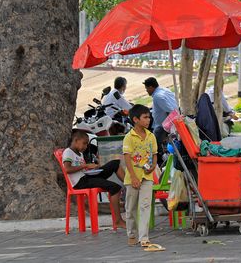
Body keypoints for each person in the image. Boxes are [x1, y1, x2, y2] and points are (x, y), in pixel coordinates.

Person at [62, 130, 126, 229]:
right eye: (84, 143)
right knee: (115, 188)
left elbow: (81, 168)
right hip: (80, 183)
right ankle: (118, 221)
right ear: (76, 140)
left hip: (86, 177)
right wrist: (85, 165)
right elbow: (67, 169)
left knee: (115, 163)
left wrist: (92, 167)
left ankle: (129, 185)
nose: (86, 146)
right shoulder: (68, 152)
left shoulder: (79, 153)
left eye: (87, 144)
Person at [122, 104, 162, 251]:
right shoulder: (129, 137)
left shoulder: (151, 136)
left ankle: (144, 237)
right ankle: (131, 234)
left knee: (145, 205)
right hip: (132, 177)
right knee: (131, 208)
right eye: (145, 117)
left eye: (149, 117)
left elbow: (154, 154)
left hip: (147, 176)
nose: (149, 120)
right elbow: (127, 158)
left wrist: (153, 166)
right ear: (135, 119)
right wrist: (133, 177)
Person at [143, 77, 177, 154]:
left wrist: (170, 127)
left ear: (151, 87)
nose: (146, 91)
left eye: (147, 88)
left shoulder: (157, 96)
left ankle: (160, 158)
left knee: (154, 144)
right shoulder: (165, 90)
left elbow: (170, 110)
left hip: (163, 125)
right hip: (165, 124)